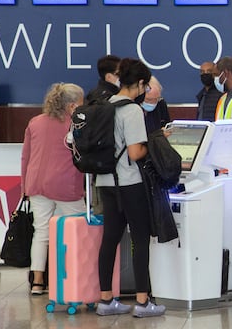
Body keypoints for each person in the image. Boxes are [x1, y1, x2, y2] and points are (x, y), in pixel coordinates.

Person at [95, 58, 165, 318]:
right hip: (129, 183)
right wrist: (154, 144)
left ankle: (106, 300)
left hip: (105, 182)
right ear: (140, 83)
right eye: (145, 87)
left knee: (110, 239)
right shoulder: (132, 110)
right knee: (140, 238)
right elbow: (135, 152)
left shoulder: (106, 105)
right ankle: (143, 302)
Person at [21, 83, 86, 295]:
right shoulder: (76, 124)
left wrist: (25, 187)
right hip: (66, 184)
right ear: (72, 105)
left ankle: (38, 281)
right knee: (77, 232)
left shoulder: (35, 122)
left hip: (37, 184)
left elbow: (26, 157)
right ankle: (74, 278)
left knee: (41, 232)